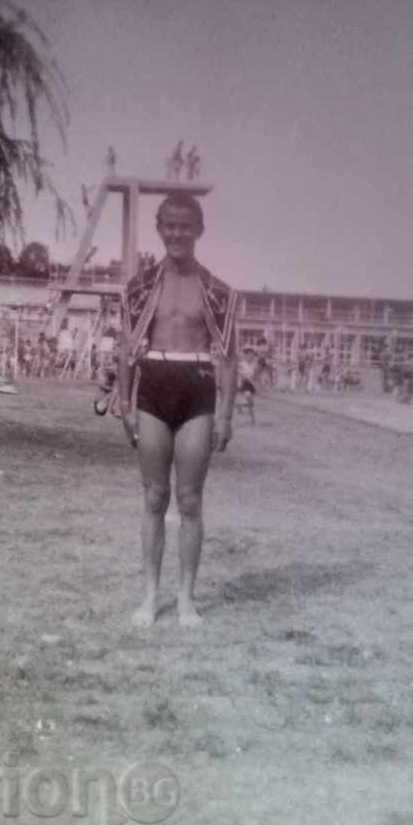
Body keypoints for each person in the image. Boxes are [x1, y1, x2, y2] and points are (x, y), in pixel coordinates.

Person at [118, 192, 238, 627]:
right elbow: (126, 347)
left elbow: (228, 355)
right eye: (169, 225)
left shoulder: (217, 292)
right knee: (153, 496)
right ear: (159, 229)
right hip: (153, 384)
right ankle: (149, 596)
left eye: (185, 225)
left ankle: (186, 597)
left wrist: (225, 414)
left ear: (199, 230)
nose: (177, 233)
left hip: (197, 388)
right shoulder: (140, 287)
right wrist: (125, 403)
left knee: (189, 499)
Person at [238, 346, 257, 425]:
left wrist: (255, 384)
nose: (251, 356)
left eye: (252, 355)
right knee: (249, 399)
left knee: (251, 403)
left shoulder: (253, 365)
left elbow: (254, 376)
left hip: (250, 385)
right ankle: (253, 419)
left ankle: (239, 406)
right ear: (245, 355)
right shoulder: (242, 364)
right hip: (244, 384)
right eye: (249, 354)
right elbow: (243, 377)